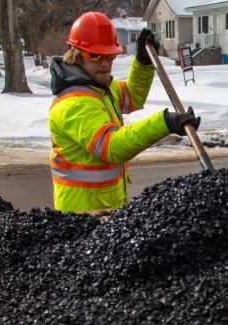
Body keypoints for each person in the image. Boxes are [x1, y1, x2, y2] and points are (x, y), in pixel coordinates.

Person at [48, 11, 201, 212]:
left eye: (110, 56)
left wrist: (143, 63)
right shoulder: (73, 104)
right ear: (75, 55)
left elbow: (131, 97)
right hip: (81, 214)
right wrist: (165, 122)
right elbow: (111, 146)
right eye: (95, 55)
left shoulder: (100, 89)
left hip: (105, 208)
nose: (104, 63)